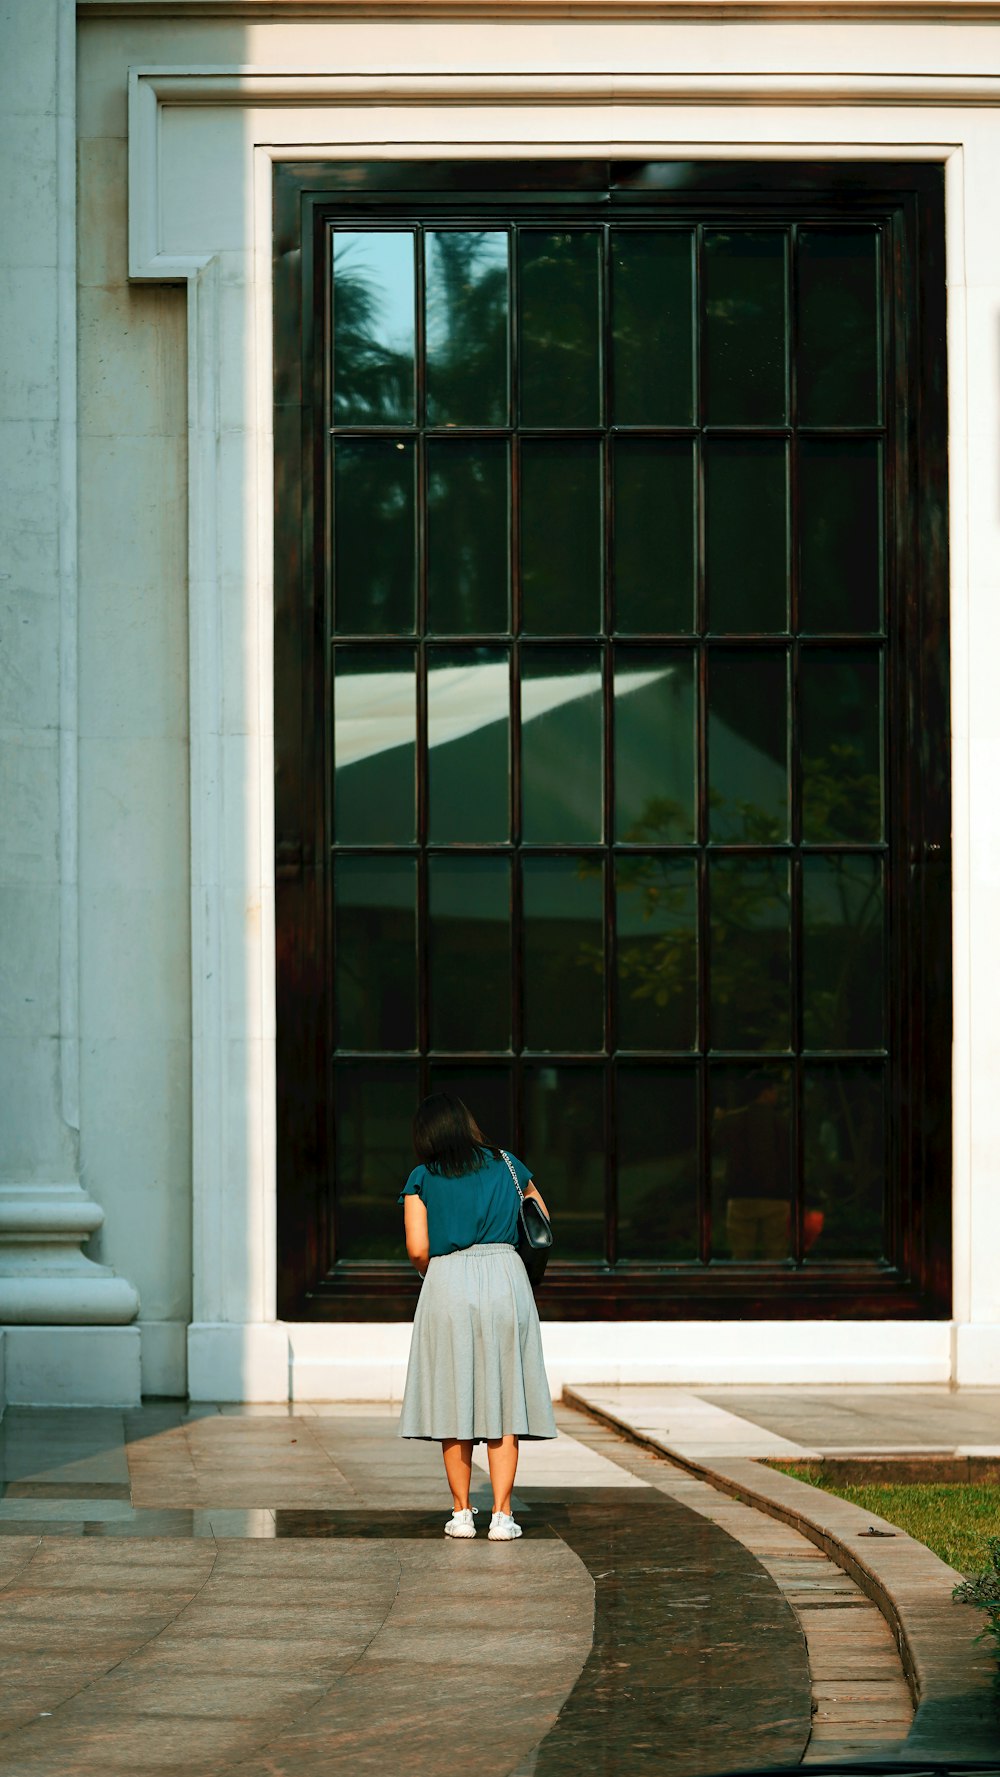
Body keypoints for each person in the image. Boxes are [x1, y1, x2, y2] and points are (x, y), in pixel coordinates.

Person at [397, 1092, 557, 1541]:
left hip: (447, 1281)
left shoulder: (422, 1178)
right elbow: (541, 1215)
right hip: (506, 1277)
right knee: (505, 1400)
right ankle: (503, 1515)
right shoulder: (508, 1164)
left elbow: (417, 1248)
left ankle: (462, 1512)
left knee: (454, 1401)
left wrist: (443, 1272)